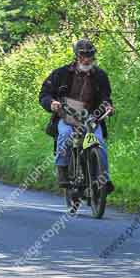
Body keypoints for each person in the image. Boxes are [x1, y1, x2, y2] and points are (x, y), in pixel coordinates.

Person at [39, 39, 115, 193]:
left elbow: (106, 97)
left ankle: (103, 181)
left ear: (94, 57)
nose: (86, 59)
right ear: (76, 56)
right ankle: (63, 170)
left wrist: (108, 106)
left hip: (91, 117)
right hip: (66, 116)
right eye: (83, 55)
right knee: (66, 135)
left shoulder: (100, 75)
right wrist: (52, 103)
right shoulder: (60, 73)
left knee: (99, 143)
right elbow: (44, 94)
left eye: (90, 55)